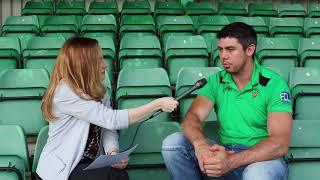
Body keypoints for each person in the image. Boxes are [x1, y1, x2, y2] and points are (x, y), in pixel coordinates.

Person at [162, 22, 293, 180]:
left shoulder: (274, 84)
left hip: (263, 159)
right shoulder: (216, 81)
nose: (223, 56)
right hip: (226, 151)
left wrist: (232, 161)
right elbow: (192, 117)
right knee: (173, 144)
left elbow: (280, 143)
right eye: (220, 49)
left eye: (230, 49)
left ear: (250, 49)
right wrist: (201, 145)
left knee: (256, 175)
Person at [35, 37, 179, 180]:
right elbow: (111, 120)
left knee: (116, 175)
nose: (105, 65)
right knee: (115, 177)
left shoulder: (100, 91)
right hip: (61, 171)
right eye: (99, 60)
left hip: (87, 166)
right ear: (84, 64)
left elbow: (108, 129)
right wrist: (156, 105)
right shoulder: (65, 91)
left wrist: (112, 153)